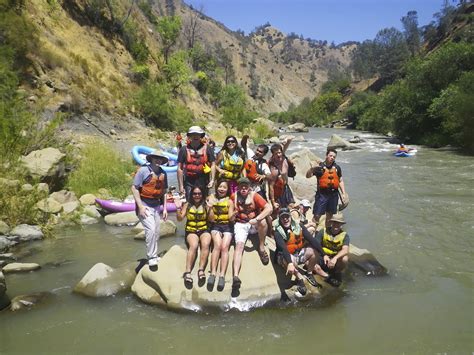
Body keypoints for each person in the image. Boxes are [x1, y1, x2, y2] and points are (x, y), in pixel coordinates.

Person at [231, 177, 273, 292]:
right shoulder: (234, 197)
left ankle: (261, 247)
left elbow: (269, 208)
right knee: (239, 247)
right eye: (241, 186)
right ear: (238, 187)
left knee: (263, 221)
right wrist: (232, 216)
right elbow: (229, 215)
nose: (243, 188)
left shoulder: (254, 195)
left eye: (245, 186)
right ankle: (235, 276)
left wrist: (257, 218)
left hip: (253, 222)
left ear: (249, 187)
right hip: (240, 224)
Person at [131, 150, 169, 269]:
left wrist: (165, 209)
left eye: (160, 159)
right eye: (156, 158)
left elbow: (164, 192)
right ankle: (151, 257)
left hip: (156, 205)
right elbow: (134, 188)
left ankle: (155, 254)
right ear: (151, 159)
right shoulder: (143, 171)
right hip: (144, 204)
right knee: (151, 230)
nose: (158, 160)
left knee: (156, 231)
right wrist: (141, 207)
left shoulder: (163, 173)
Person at [273, 208, 324, 296]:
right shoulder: (278, 232)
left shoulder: (299, 226)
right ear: (280, 219)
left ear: (290, 217)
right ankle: (299, 279)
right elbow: (284, 249)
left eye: (287, 216)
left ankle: (309, 273)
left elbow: (311, 240)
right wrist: (290, 263)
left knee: (314, 251)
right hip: (284, 257)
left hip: (297, 254)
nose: (285, 219)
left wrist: (324, 254)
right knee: (291, 260)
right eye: (282, 218)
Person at [175, 185, 212, 288]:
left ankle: (201, 270)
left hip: (204, 229)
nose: (197, 196)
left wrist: (210, 209)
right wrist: (178, 208)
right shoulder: (187, 205)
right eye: (195, 194)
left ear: (202, 194)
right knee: (194, 245)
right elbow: (179, 219)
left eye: (199, 194)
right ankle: (187, 272)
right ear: (192, 195)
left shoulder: (206, 205)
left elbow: (212, 219)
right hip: (191, 231)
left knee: (205, 244)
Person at [305, 149, 347, 228]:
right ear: (326, 155)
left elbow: (340, 180)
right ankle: (312, 232)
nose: (332, 158)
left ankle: (326, 233)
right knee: (317, 215)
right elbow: (307, 176)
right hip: (322, 195)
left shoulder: (337, 168)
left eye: (334, 157)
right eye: (330, 156)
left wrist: (344, 193)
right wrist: (311, 169)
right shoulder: (319, 167)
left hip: (333, 195)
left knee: (330, 217)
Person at [206, 180, 234, 291]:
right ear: (216, 187)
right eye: (220, 187)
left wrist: (233, 216)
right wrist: (210, 207)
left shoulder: (230, 202)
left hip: (227, 226)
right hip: (216, 226)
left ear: (227, 190)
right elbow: (211, 219)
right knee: (217, 245)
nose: (221, 189)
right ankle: (213, 273)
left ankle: (222, 275)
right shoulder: (211, 198)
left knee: (224, 247)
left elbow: (231, 217)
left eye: (224, 187)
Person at [177, 126, 216, 200]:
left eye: (197, 134)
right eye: (193, 134)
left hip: (204, 180)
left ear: (201, 135)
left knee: (204, 202)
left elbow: (213, 164)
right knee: (189, 201)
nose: (195, 136)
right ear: (190, 136)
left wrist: (212, 180)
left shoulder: (208, 148)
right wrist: (181, 186)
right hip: (189, 181)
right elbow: (179, 168)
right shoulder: (183, 150)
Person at [313, 213, 350, 287]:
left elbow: (345, 250)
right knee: (310, 259)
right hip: (322, 257)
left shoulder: (345, 235)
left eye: (338, 223)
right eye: (335, 222)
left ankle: (336, 272)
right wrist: (324, 255)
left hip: (334, 260)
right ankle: (327, 277)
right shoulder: (322, 231)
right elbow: (316, 245)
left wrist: (335, 258)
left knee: (345, 259)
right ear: (331, 222)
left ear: (341, 224)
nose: (336, 225)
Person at [268, 138, 294, 211]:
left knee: (291, 205)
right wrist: (273, 201)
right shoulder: (274, 169)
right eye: (276, 153)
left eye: (279, 152)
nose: (278, 155)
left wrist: (288, 140)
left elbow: (285, 147)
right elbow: (271, 186)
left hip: (285, 187)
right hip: (278, 190)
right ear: (273, 154)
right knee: (280, 210)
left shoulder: (283, 157)